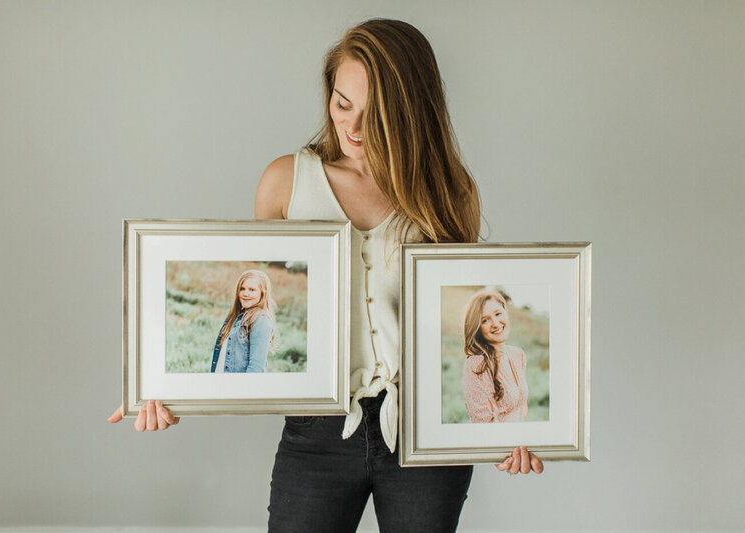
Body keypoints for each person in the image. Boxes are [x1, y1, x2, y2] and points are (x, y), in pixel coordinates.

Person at [108, 18, 543, 532]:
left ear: (411, 112)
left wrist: (507, 428)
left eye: (375, 115)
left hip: (424, 436)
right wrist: (168, 387)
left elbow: (455, 336)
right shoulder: (285, 182)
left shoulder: (449, 192)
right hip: (317, 433)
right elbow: (251, 302)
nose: (353, 128)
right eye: (343, 104)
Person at [462, 290, 529, 423]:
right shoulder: (476, 366)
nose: (496, 323)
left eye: (498, 314)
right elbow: (483, 423)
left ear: (506, 312)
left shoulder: (518, 355)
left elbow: (522, 407)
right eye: (485, 320)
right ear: (477, 327)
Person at [209, 269, 276, 373]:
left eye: (252, 290)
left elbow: (256, 368)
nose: (245, 293)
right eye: (242, 288)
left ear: (263, 292)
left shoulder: (261, 321)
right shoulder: (235, 316)